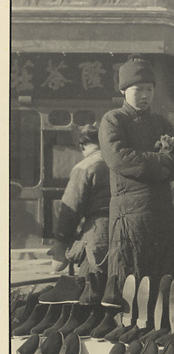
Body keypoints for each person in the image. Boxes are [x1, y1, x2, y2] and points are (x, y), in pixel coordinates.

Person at [98, 54, 174, 289]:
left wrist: (169, 164)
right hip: (130, 213)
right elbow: (119, 158)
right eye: (138, 89)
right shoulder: (114, 120)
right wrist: (163, 163)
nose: (145, 95)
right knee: (132, 277)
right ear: (124, 91)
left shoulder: (161, 123)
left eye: (149, 89)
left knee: (166, 276)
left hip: (161, 210)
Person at [49, 124, 110, 292]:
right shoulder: (116, 162)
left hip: (97, 233)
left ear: (82, 145)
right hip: (123, 229)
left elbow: (71, 210)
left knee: (91, 289)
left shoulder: (85, 166)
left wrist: (60, 247)